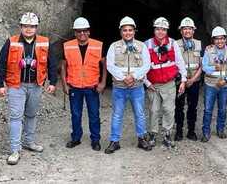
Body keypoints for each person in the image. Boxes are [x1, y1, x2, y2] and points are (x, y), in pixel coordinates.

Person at [0, 12, 58, 165]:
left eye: (32, 26)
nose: (29, 29)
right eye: (26, 26)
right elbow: (1, 63)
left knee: (31, 114)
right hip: (16, 85)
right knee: (16, 117)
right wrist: (0, 84)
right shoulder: (11, 42)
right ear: (21, 27)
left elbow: (52, 63)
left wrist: (52, 82)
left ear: (36, 27)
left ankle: (29, 142)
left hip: (36, 85)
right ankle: (15, 150)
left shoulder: (44, 42)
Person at [57, 17, 107, 151]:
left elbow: (105, 64)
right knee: (76, 114)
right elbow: (62, 66)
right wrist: (64, 84)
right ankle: (76, 138)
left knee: (94, 114)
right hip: (74, 86)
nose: (82, 34)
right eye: (79, 31)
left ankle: (95, 140)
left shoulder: (98, 45)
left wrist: (103, 82)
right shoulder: (67, 46)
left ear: (89, 31)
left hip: (92, 87)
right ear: (75, 32)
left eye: (85, 31)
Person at [104, 16, 153, 154]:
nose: (128, 33)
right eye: (125, 30)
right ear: (120, 31)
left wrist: (133, 76)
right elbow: (110, 65)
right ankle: (114, 141)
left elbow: (146, 65)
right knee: (117, 114)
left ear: (134, 31)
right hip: (119, 87)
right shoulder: (114, 46)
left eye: (130, 30)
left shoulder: (141, 46)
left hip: (136, 86)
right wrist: (123, 77)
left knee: (140, 114)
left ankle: (142, 139)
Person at [144, 17, 187, 148]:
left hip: (169, 83)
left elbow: (180, 62)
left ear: (166, 30)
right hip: (153, 84)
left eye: (163, 29)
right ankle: (152, 134)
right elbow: (143, 66)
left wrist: (183, 80)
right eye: (158, 29)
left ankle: (167, 135)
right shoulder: (147, 45)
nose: (160, 32)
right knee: (154, 110)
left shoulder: (173, 44)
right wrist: (146, 83)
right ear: (154, 30)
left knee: (169, 110)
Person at [200, 26, 227, 142]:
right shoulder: (208, 51)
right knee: (208, 109)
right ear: (213, 40)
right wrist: (214, 67)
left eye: (222, 38)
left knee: (223, 109)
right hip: (210, 84)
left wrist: (226, 80)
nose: (219, 41)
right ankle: (206, 132)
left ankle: (220, 129)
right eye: (217, 39)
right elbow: (204, 67)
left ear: (225, 39)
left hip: (224, 85)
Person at [174, 17, 203, 141]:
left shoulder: (199, 44)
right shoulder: (175, 44)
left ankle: (191, 131)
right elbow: (173, 64)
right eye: (184, 29)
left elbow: (202, 65)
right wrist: (183, 80)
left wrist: (193, 79)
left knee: (192, 107)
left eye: (189, 28)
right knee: (179, 107)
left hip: (194, 81)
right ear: (181, 31)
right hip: (180, 81)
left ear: (193, 30)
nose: (187, 31)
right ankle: (179, 131)